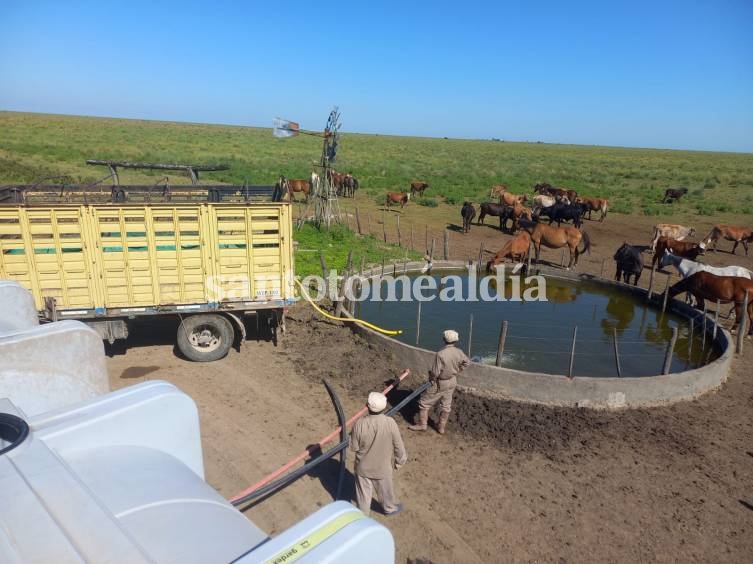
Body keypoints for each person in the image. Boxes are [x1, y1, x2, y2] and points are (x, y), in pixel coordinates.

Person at [349, 392, 407, 516]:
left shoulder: (359, 424)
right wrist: (399, 461)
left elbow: (354, 447)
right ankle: (389, 509)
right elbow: (399, 445)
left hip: (363, 469)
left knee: (363, 497)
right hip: (382, 468)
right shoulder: (390, 423)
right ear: (384, 407)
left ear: (367, 406)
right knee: (386, 492)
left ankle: (362, 517)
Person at [408, 329, 470, 435]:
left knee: (424, 403)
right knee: (446, 405)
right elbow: (467, 362)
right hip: (452, 381)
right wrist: (458, 370)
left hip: (440, 382)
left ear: (444, 339)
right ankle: (441, 427)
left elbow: (436, 372)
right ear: (456, 341)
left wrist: (431, 379)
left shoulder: (441, 354)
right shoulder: (459, 352)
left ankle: (422, 425)